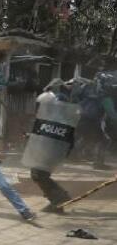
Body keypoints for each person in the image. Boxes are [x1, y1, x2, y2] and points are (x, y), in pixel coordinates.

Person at [24, 79, 77, 214]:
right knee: (39, 174)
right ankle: (57, 200)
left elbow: (55, 136)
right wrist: (31, 136)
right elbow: (45, 132)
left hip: (51, 151)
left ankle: (59, 197)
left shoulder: (61, 118)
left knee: (39, 174)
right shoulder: (56, 116)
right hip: (49, 150)